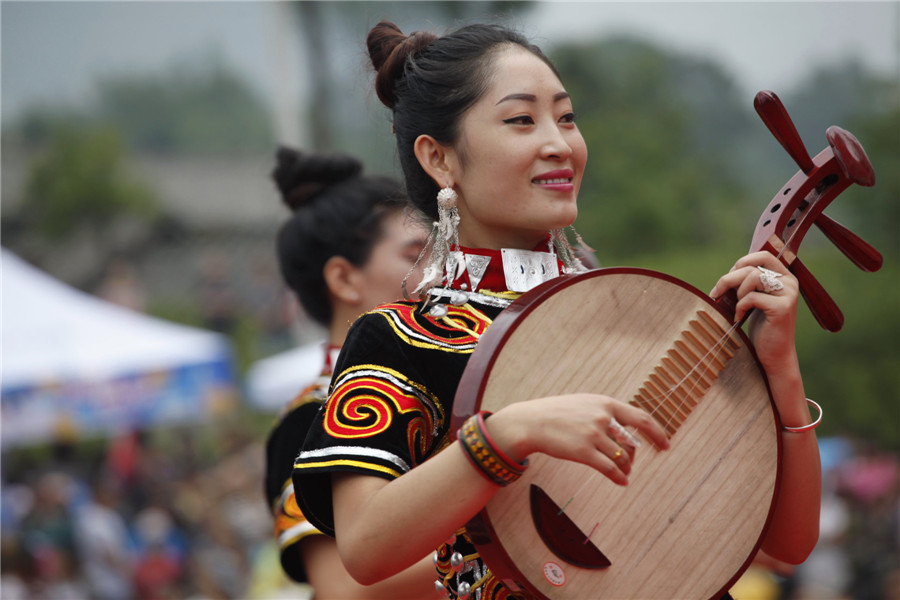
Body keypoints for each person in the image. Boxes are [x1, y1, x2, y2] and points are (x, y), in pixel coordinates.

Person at [293, 21, 822, 600]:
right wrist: (507, 435)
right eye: (522, 119)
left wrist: (782, 374)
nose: (559, 143)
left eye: (566, 117)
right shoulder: (403, 337)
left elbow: (783, 545)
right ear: (439, 159)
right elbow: (366, 550)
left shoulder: (629, 322)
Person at [263, 146, 444, 598]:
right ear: (344, 278)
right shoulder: (308, 421)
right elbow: (344, 588)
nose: (439, 275)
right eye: (415, 256)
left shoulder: (442, 391)